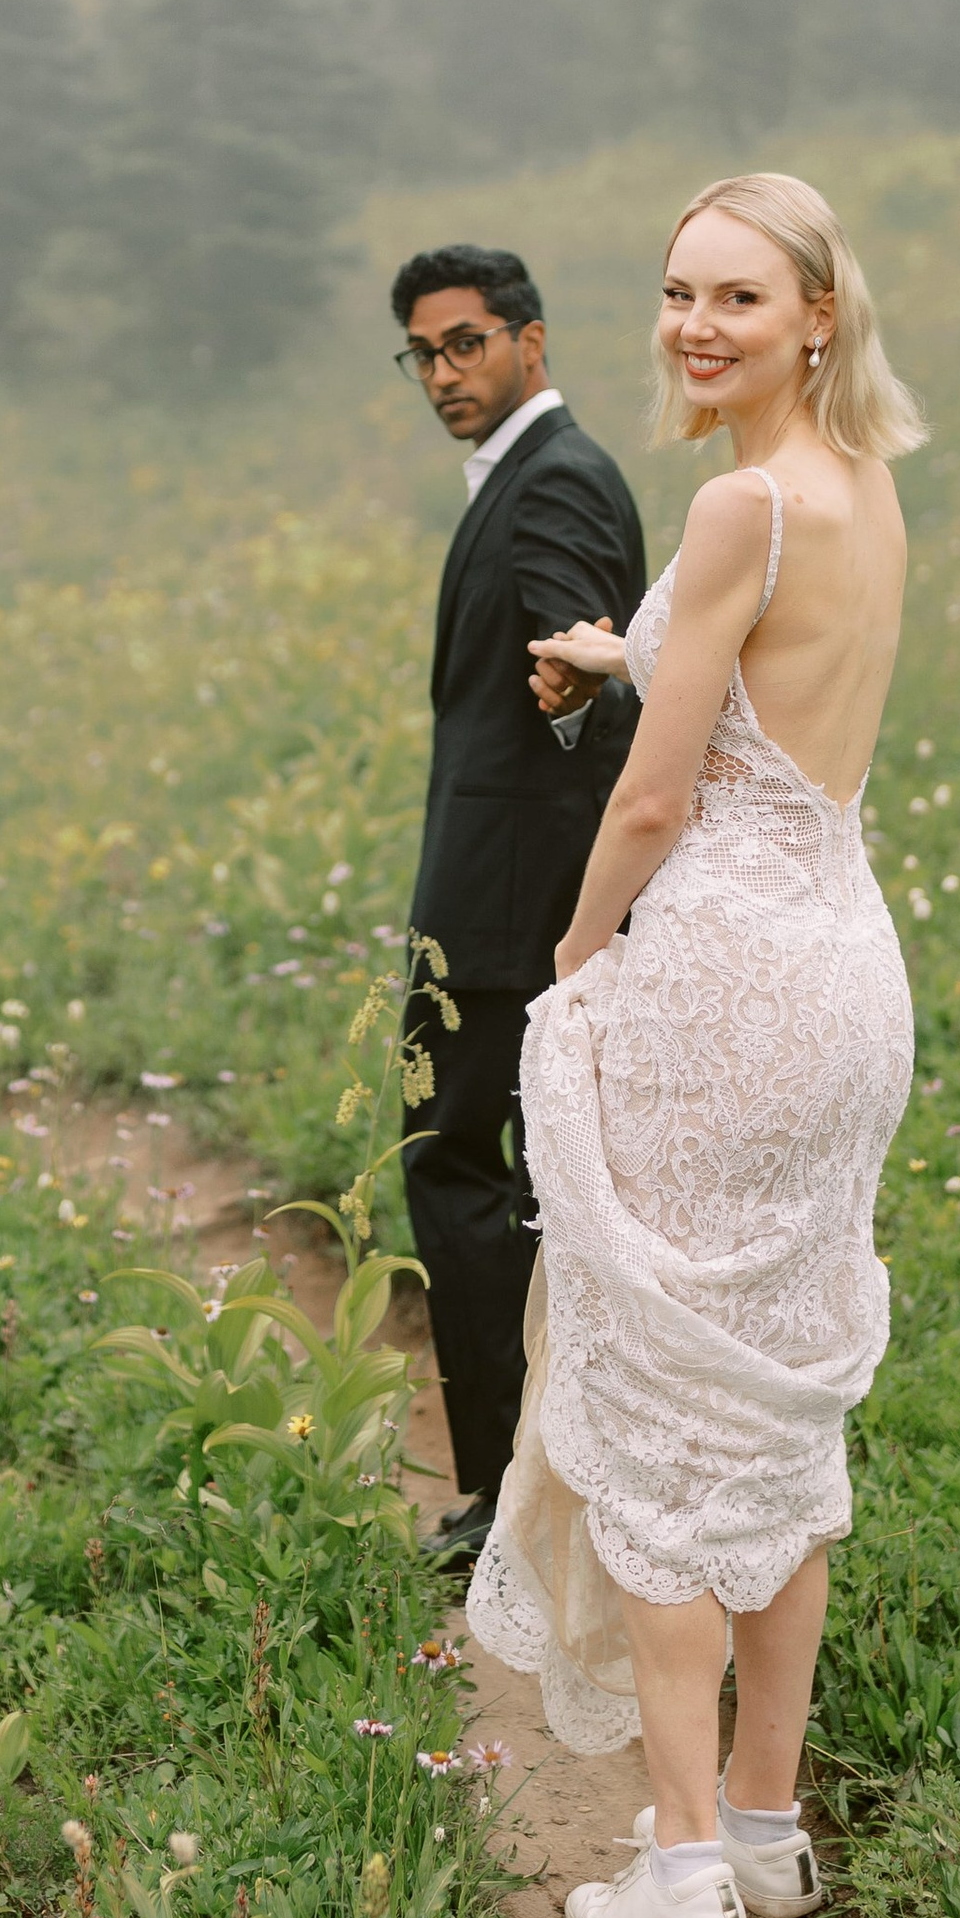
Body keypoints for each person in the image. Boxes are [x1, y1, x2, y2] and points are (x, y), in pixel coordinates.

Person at [466, 171, 925, 1918]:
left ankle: (673, 1872)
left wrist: (577, 965)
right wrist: (621, 647)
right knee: (778, 1389)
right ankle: (766, 1822)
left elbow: (658, 795)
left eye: (738, 298)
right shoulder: (859, 487)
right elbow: (749, 681)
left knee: (659, 1387)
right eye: (675, 293)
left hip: (722, 977)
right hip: (844, 981)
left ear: (818, 313)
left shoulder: (740, 503)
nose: (694, 325)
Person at [392, 245, 648, 1577]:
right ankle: (545, 1487)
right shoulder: (530, 476)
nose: (444, 372)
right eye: (424, 353)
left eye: (467, 343)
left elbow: (590, 688)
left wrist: (575, 931)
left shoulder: (555, 484)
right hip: (506, 909)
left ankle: (510, 1494)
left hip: (515, 922)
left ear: (531, 342)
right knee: (527, 1192)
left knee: (462, 1172)